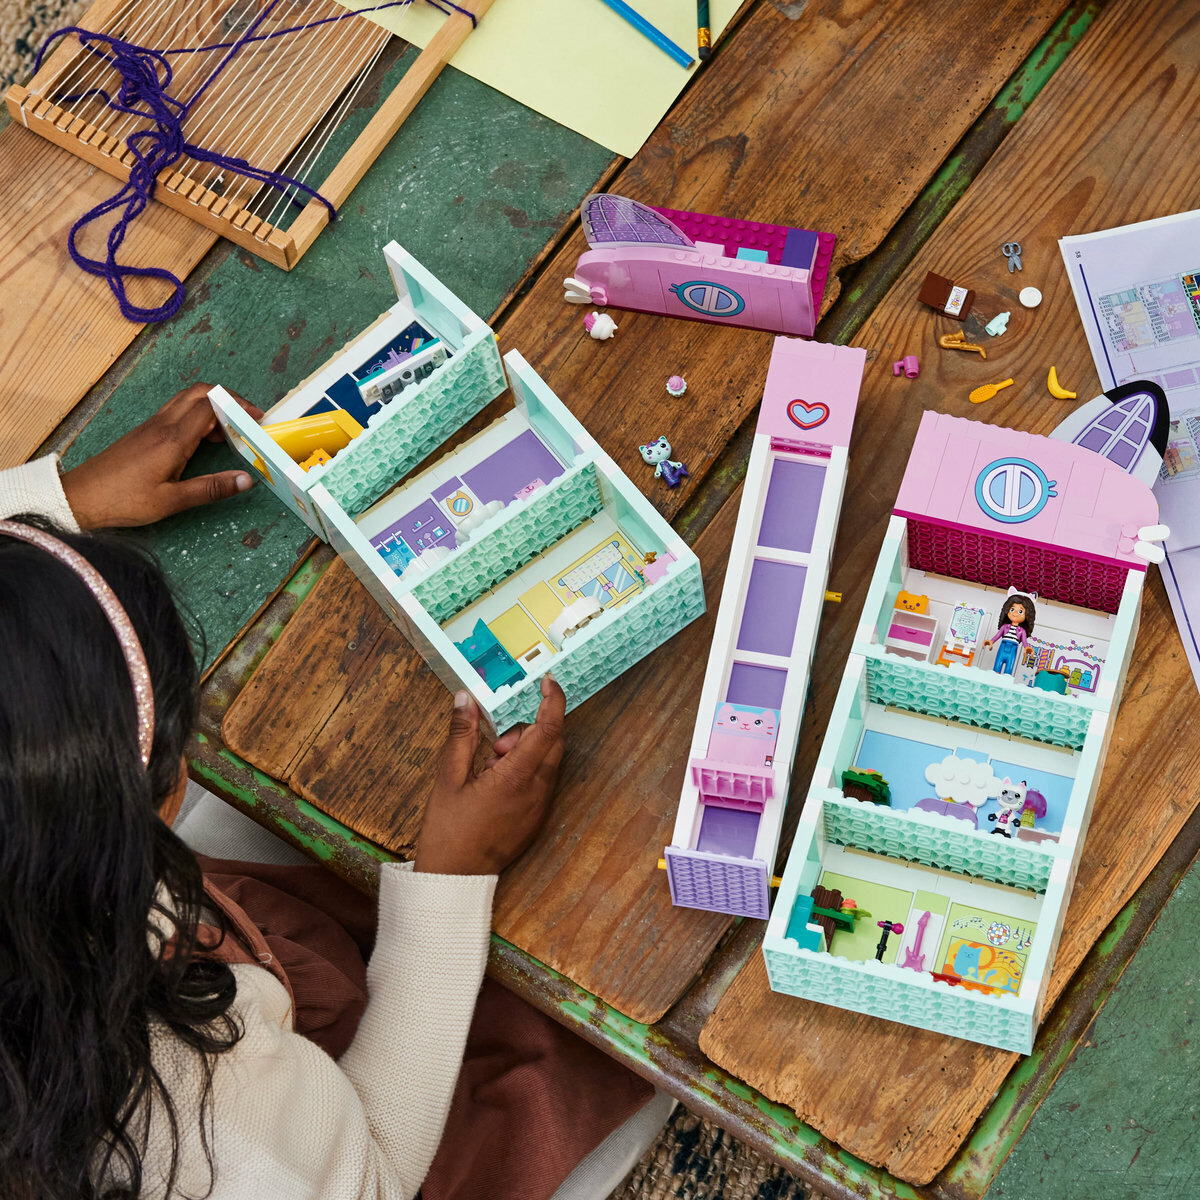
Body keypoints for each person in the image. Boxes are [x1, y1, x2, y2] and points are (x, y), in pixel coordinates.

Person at [0, 385, 656, 1199]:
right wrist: (451, 879)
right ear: (152, 803)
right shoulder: (205, 1129)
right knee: (564, 1046)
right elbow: (375, 1170)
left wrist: (50, 504)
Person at [982, 592, 1036, 677]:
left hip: (1013, 649)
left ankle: (1006, 680)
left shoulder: (1022, 631)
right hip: (1002, 647)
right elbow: (997, 635)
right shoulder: (1004, 627)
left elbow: (1024, 641)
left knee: (1009, 668)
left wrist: (1027, 648)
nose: (1015, 613)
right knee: (997, 666)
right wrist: (991, 641)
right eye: (1012, 609)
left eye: (1020, 611)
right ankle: (993, 678)